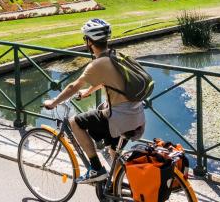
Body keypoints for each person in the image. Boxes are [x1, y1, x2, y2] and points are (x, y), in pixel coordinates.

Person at [43, 18, 145, 184]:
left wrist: (53, 102)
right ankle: (117, 188)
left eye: (85, 39)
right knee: (113, 151)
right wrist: (89, 91)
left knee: (74, 122)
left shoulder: (98, 64)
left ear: (89, 41)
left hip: (118, 118)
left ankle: (96, 168)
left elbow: (72, 87)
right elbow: (107, 80)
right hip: (136, 115)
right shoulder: (115, 56)